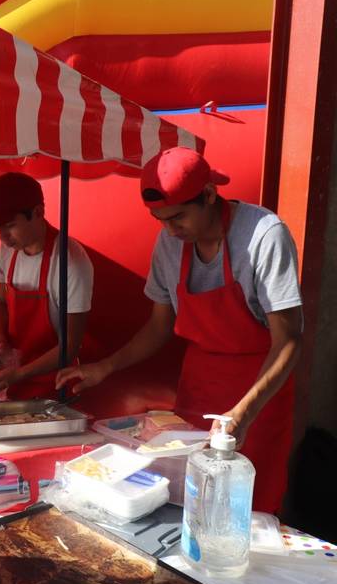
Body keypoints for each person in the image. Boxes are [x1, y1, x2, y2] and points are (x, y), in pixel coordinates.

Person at [57, 147, 302, 513]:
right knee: (186, 503)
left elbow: (288, 342)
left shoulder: (264, 236)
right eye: (160, 220)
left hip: (257, 396)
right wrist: (103, 368)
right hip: (199, 388)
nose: (170, 229)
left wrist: (242, 415)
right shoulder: (170, 243)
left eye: (178, 217)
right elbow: (159, 327)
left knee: (246, 509)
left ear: (208, 194)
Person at [0, 173, 94, 399]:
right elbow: (0, 303)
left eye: (9, 225)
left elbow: (70, 347)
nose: (3, 237)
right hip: (16, 381)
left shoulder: (70, 261)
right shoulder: (8, 251)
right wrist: (0, 341)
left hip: (57, 386)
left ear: (38, 213)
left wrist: (18, 374)